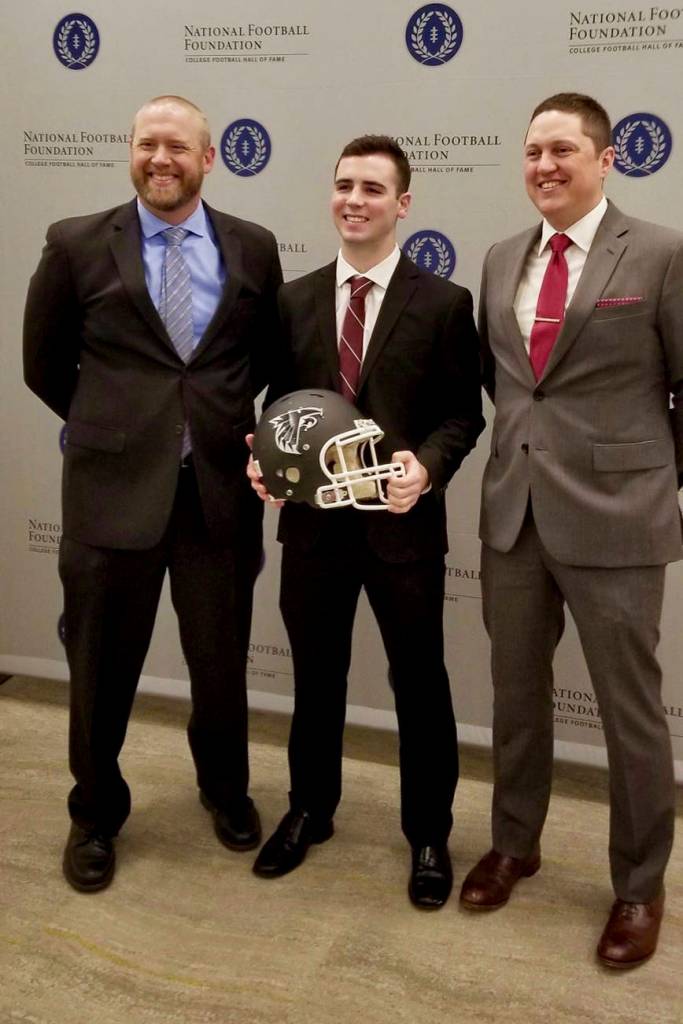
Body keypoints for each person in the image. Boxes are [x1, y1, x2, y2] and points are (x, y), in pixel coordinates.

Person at [23, 95, 283, 892]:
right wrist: (118, 429)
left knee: (218, 663)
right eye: (146, 145)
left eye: (177, 146)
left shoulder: (253, 247)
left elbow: (263, 356)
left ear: (209, 157)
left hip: (216, 499)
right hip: (110, 499)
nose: (159, 159)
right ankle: (95, 813)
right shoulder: (74, 244)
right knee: (100, 667)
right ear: (130, 152)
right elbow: (43, 363)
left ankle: (225, 788)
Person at [461, 93, 682, 967]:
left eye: (560, 150)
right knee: (515, 696)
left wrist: (662, 484)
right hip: (513, 513)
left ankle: (638, 885)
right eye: (530, 153)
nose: (543, 167)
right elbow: (506, 385)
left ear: (605, 157)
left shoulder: (661, 252)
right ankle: (515, 841)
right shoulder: (497, 258)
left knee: (630, 713)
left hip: (618, 518)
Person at [247, 135, 484, 908]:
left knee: (420, 685)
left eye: (372, 188)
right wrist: (265, 459)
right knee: (315, 680)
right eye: (344, 184)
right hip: (313, 531)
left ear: (402, 204)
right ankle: (309, 810)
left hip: (402, 528)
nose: (354, 199)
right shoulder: (293, 299)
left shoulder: (444, 303)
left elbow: (461, 413)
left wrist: (429, 465)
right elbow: (279, 409)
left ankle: (427, 833)